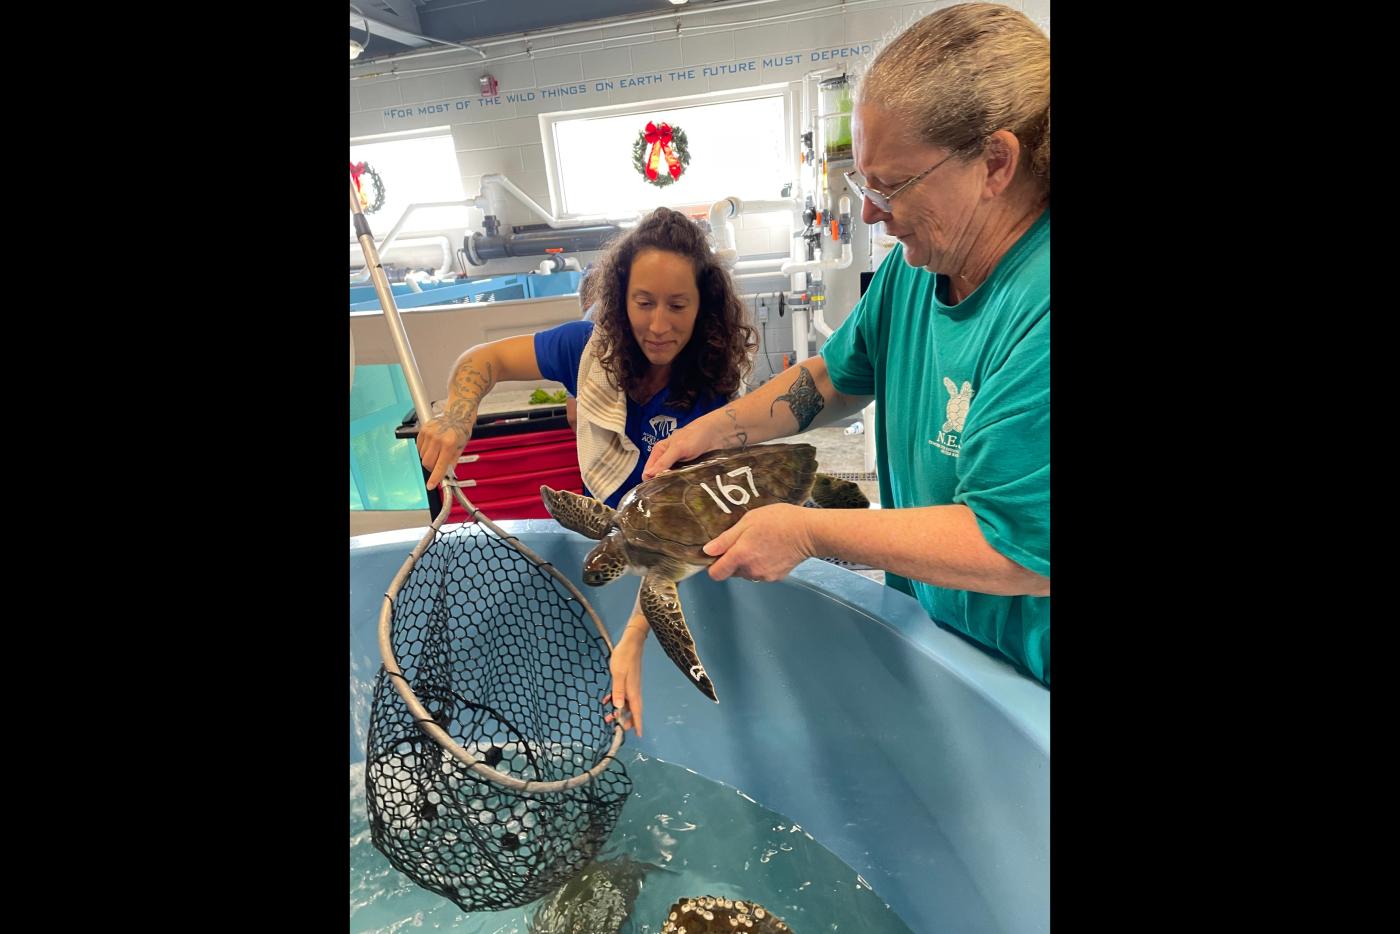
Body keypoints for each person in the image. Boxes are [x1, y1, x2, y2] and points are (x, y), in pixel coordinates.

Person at [643, 2, 1051, 686]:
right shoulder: (913, 270)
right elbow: (832, 379)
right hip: (937, 635)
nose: (869, 211)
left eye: (891, 186)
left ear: (995, 163)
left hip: (1025, 678)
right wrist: (719, 430)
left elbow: (1015, 548)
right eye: (867, 181)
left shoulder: (1036, 309)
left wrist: (804, 531)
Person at [416, 207, 758, 733]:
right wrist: (458, 418)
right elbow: (481, 360)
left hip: (671, 541)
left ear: (703, 306)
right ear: (620, 301)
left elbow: (690, 535)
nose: (659, 325)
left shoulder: (708, 389)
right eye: (643, 303)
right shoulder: (587, 348)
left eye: (678, 305)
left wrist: (637, 636)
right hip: (609, 523)